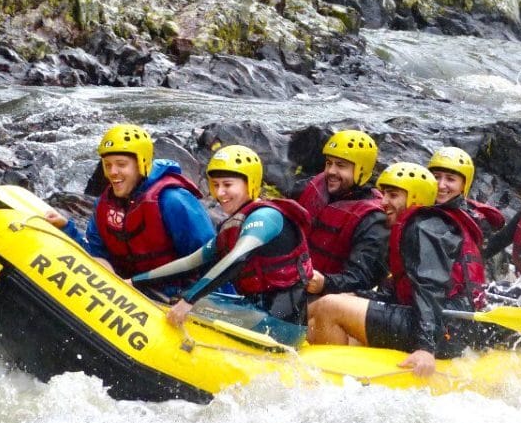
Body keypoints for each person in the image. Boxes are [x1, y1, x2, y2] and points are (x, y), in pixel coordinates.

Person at [307, 162, 488, 377]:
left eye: (393, 195)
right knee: (321, 308)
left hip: (445, 330)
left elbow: (430, 289)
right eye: (383, 194)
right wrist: (355, 294)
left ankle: (330, 383)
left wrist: (425, 348)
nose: (382, 202)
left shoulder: (424, 228)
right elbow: (400, 291)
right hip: (434, 322)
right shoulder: (417, 224)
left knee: (330, 307)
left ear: (414, 198)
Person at [135, 145, 315, 326]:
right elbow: (190, 262)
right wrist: (136, 281)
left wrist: (189, 300)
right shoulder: (235, 225)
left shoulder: (265, 217)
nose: (219, 193)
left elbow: (237, 258)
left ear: (250, 183)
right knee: (175, 298)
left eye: (227, 184)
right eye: (215, 185)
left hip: (282, 324)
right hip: (255, 310)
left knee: (192, 305)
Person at [46, 124, 216, 299]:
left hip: (177, 297)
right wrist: (67, 228)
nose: (112, 172)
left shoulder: (173, 201)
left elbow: (212, 259)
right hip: (131, 294)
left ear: (141, 164)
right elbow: (96, 256)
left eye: (121, 164)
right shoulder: (104, 205)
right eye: (107, 165)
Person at [296, 129, 389, 297]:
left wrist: (325, 283)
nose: (331, 171)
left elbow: (362, 278)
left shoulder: (374, 219)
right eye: (329, 163)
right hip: (293, 281)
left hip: (327, 296)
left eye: (341, 165)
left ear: (361, 170)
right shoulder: (318, 185)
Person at [427, 146, 506, 236]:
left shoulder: (475, 223)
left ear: (464, 185)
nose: (441, 185)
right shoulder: (413, 203)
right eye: (436, 177)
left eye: (450, 179)